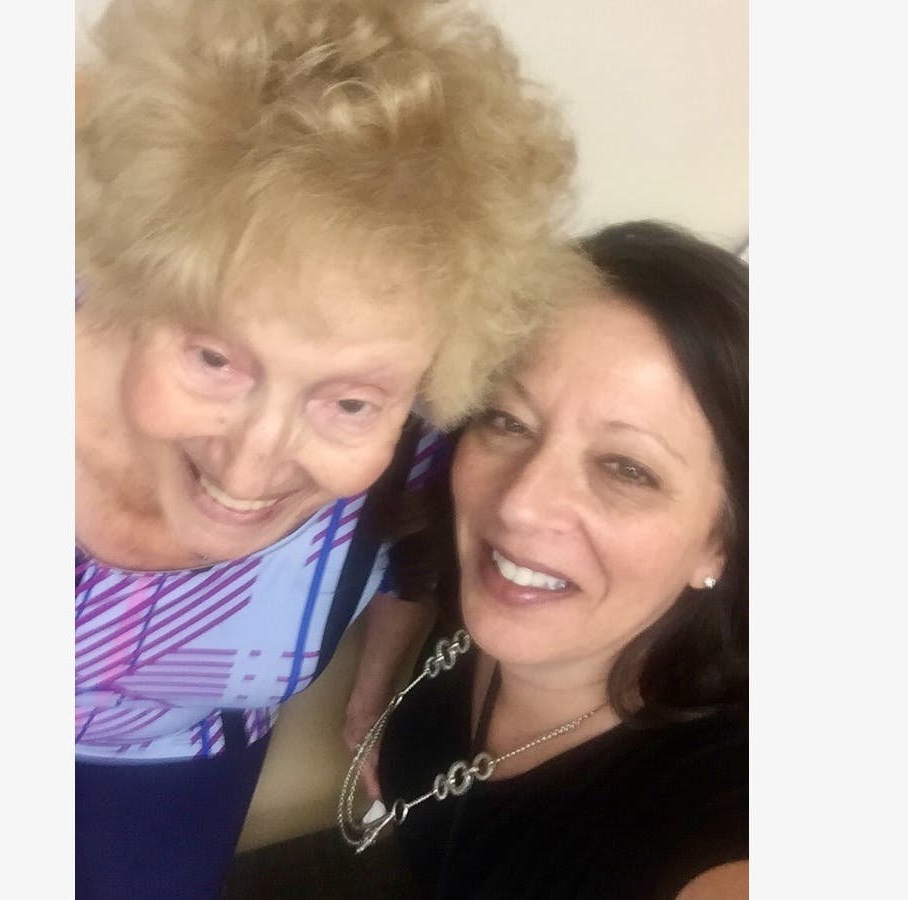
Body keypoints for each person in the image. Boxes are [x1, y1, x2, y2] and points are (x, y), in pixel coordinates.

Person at [74, 0, 590, 896]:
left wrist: (373, 693)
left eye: (349, 401)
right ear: (136, 284)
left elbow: (408, 560)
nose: (250, 467)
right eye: (214, 358)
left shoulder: (416, 447)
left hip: (177, 763)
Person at [340, 221, 749, 899]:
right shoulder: (494, 600)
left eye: (627, 468)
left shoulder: (719, 818)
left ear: (720, 544)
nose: (520, 505)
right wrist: (372, 696)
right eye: (508, 421)